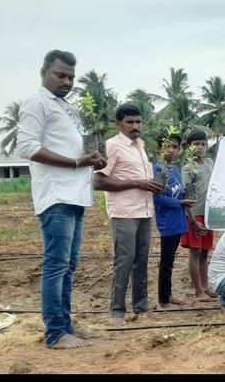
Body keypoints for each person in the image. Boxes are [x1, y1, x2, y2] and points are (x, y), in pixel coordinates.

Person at [16, 49, 107, 349]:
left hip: (75, 195)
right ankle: (55, 333)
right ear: (43, 72)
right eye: (60, 75)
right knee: (56, 265)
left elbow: (72, 150)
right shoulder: (36, 102)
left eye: (71, 77)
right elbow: (27, 146)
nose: (67, 81)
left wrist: (91, 160)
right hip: (55, 195)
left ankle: (65, 324)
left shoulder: (67, 108)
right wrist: (76, 163)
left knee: (68, 265)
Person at [94, 103, 164, 325]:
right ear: (119, 124)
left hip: (144, 210)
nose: (135, 126)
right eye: (130, 122)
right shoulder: (112, 146)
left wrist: (151, 185)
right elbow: (98, 180)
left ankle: (141, 307)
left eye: (138, 121)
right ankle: (117, 311)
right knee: (124, 260)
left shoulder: (140, 146)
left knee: (142, 260)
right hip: (124, 212)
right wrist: (138, 183)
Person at [152, 132, 193, 309]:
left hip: (178, 221)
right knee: (166, 262)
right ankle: (164, 300)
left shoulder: (176, 170)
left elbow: (182, 192)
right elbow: (158, 197)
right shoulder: (158, 170)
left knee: (170, 261)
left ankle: (168, 295)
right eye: (167, 146)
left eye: (175, 147)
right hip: (167, 221)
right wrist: (180, 202)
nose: (171, 150)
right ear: (159, 148)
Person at [180, 131, 217, 301]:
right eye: (196, 144)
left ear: (207, 146)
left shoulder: (210, 164)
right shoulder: (188, 169)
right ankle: (198, 291)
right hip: (194, 215)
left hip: (208, 215)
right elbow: (188, 196)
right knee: (194, 253)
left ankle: (205, 286)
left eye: (203, 144)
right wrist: (193, 220)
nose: (200, 147)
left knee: (205, 253)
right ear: (189, 147)